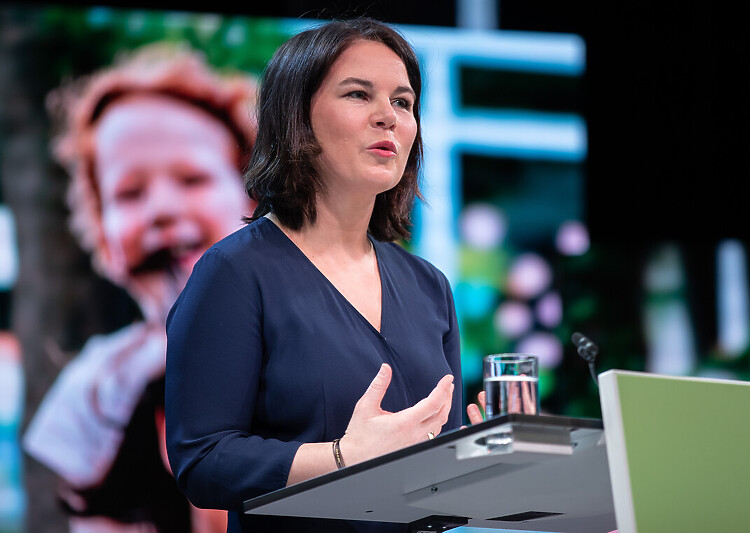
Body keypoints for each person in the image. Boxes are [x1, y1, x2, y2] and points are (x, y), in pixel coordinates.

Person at [165, 17, 490, 533]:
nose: (388, 117)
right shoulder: (234, 273)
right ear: (297, 118)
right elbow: (201, 461)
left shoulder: (430, 287)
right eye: (359, 95)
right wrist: (342, 457)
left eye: (403, 103)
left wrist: (478, 469)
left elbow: (435, 493)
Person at [23, 43, 256, 533]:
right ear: (103, 239)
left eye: (193, 178)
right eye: (130, 193)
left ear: (254, 203)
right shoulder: (95, 388)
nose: (162, 208)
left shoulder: (310, 346)